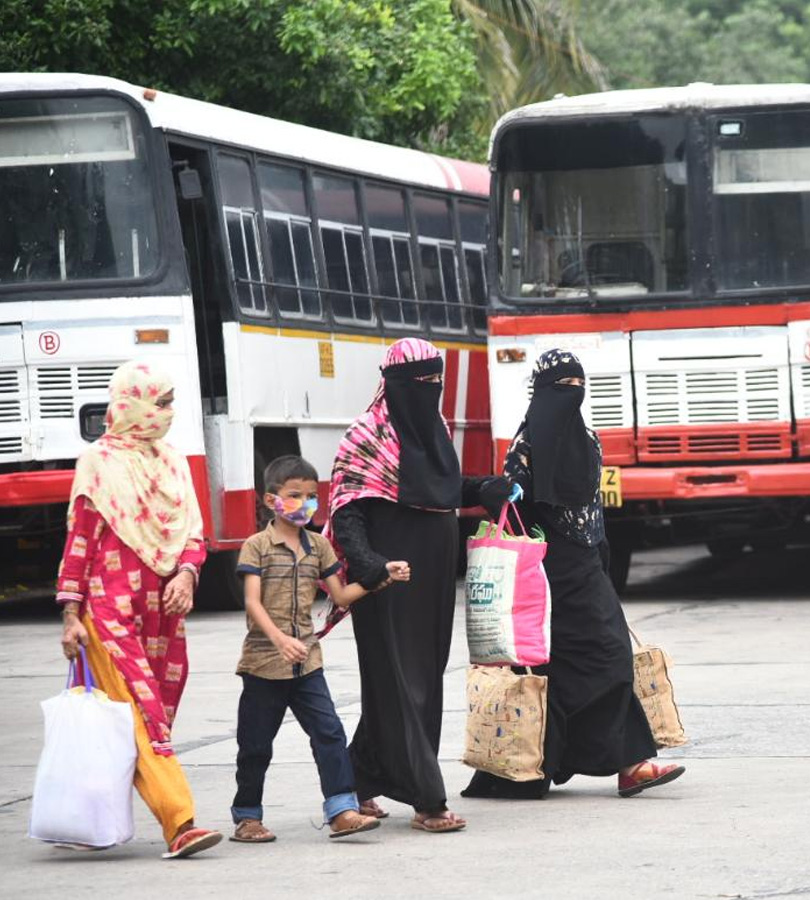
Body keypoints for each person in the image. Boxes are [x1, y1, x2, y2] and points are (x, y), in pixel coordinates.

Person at [462, 349, 685, 800]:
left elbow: (590, 510)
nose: (570, 396)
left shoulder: (587, 439)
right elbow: (515, 512)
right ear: (541, 392)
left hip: (584, 566)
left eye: (576, 387)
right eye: (560, 388)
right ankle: (538, 767)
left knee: (609, 654)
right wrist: (502, 492)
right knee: (559, 668)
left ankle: (629, 763)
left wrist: (602, 562)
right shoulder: (525, 446)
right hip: (540, 578)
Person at [325, 338, 511, 833]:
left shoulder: (435, 427)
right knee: (406, 684)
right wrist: (368, 565)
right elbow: (347, 509)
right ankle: (428, 800)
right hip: (388, 578)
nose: (430, 391)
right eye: (421, 383)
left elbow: (440, 488)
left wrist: (482, 488)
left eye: (437, 381)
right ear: (394, 383)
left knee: (412, 682)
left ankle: (358, 778)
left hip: (433, 578)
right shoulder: (365, 434)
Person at [56, 360, 223, 859]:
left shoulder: (172, 462)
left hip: (164, 616)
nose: (168, 413)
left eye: (170, 403)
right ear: (131, 404)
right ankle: (181, 823)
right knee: (145, 715)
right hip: (110, 613)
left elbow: (194, 533)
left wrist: (189, 574)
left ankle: (83, 818)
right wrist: (70, 614)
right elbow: (80, 541)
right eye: (161, 402)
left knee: (150, 719)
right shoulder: (99, 462)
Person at [230, 455, 411, 843]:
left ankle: (342, 810)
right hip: (264, 663)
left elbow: (341, 594)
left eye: (311, 497)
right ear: (269, 499)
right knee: (256, 745)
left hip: (307, 663)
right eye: (294, 495)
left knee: (329, 733)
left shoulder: (319, 548)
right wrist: (280, 640)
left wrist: (383, 577)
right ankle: (247, 817)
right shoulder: (256, 547)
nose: (304, 504)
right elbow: (252, 603)